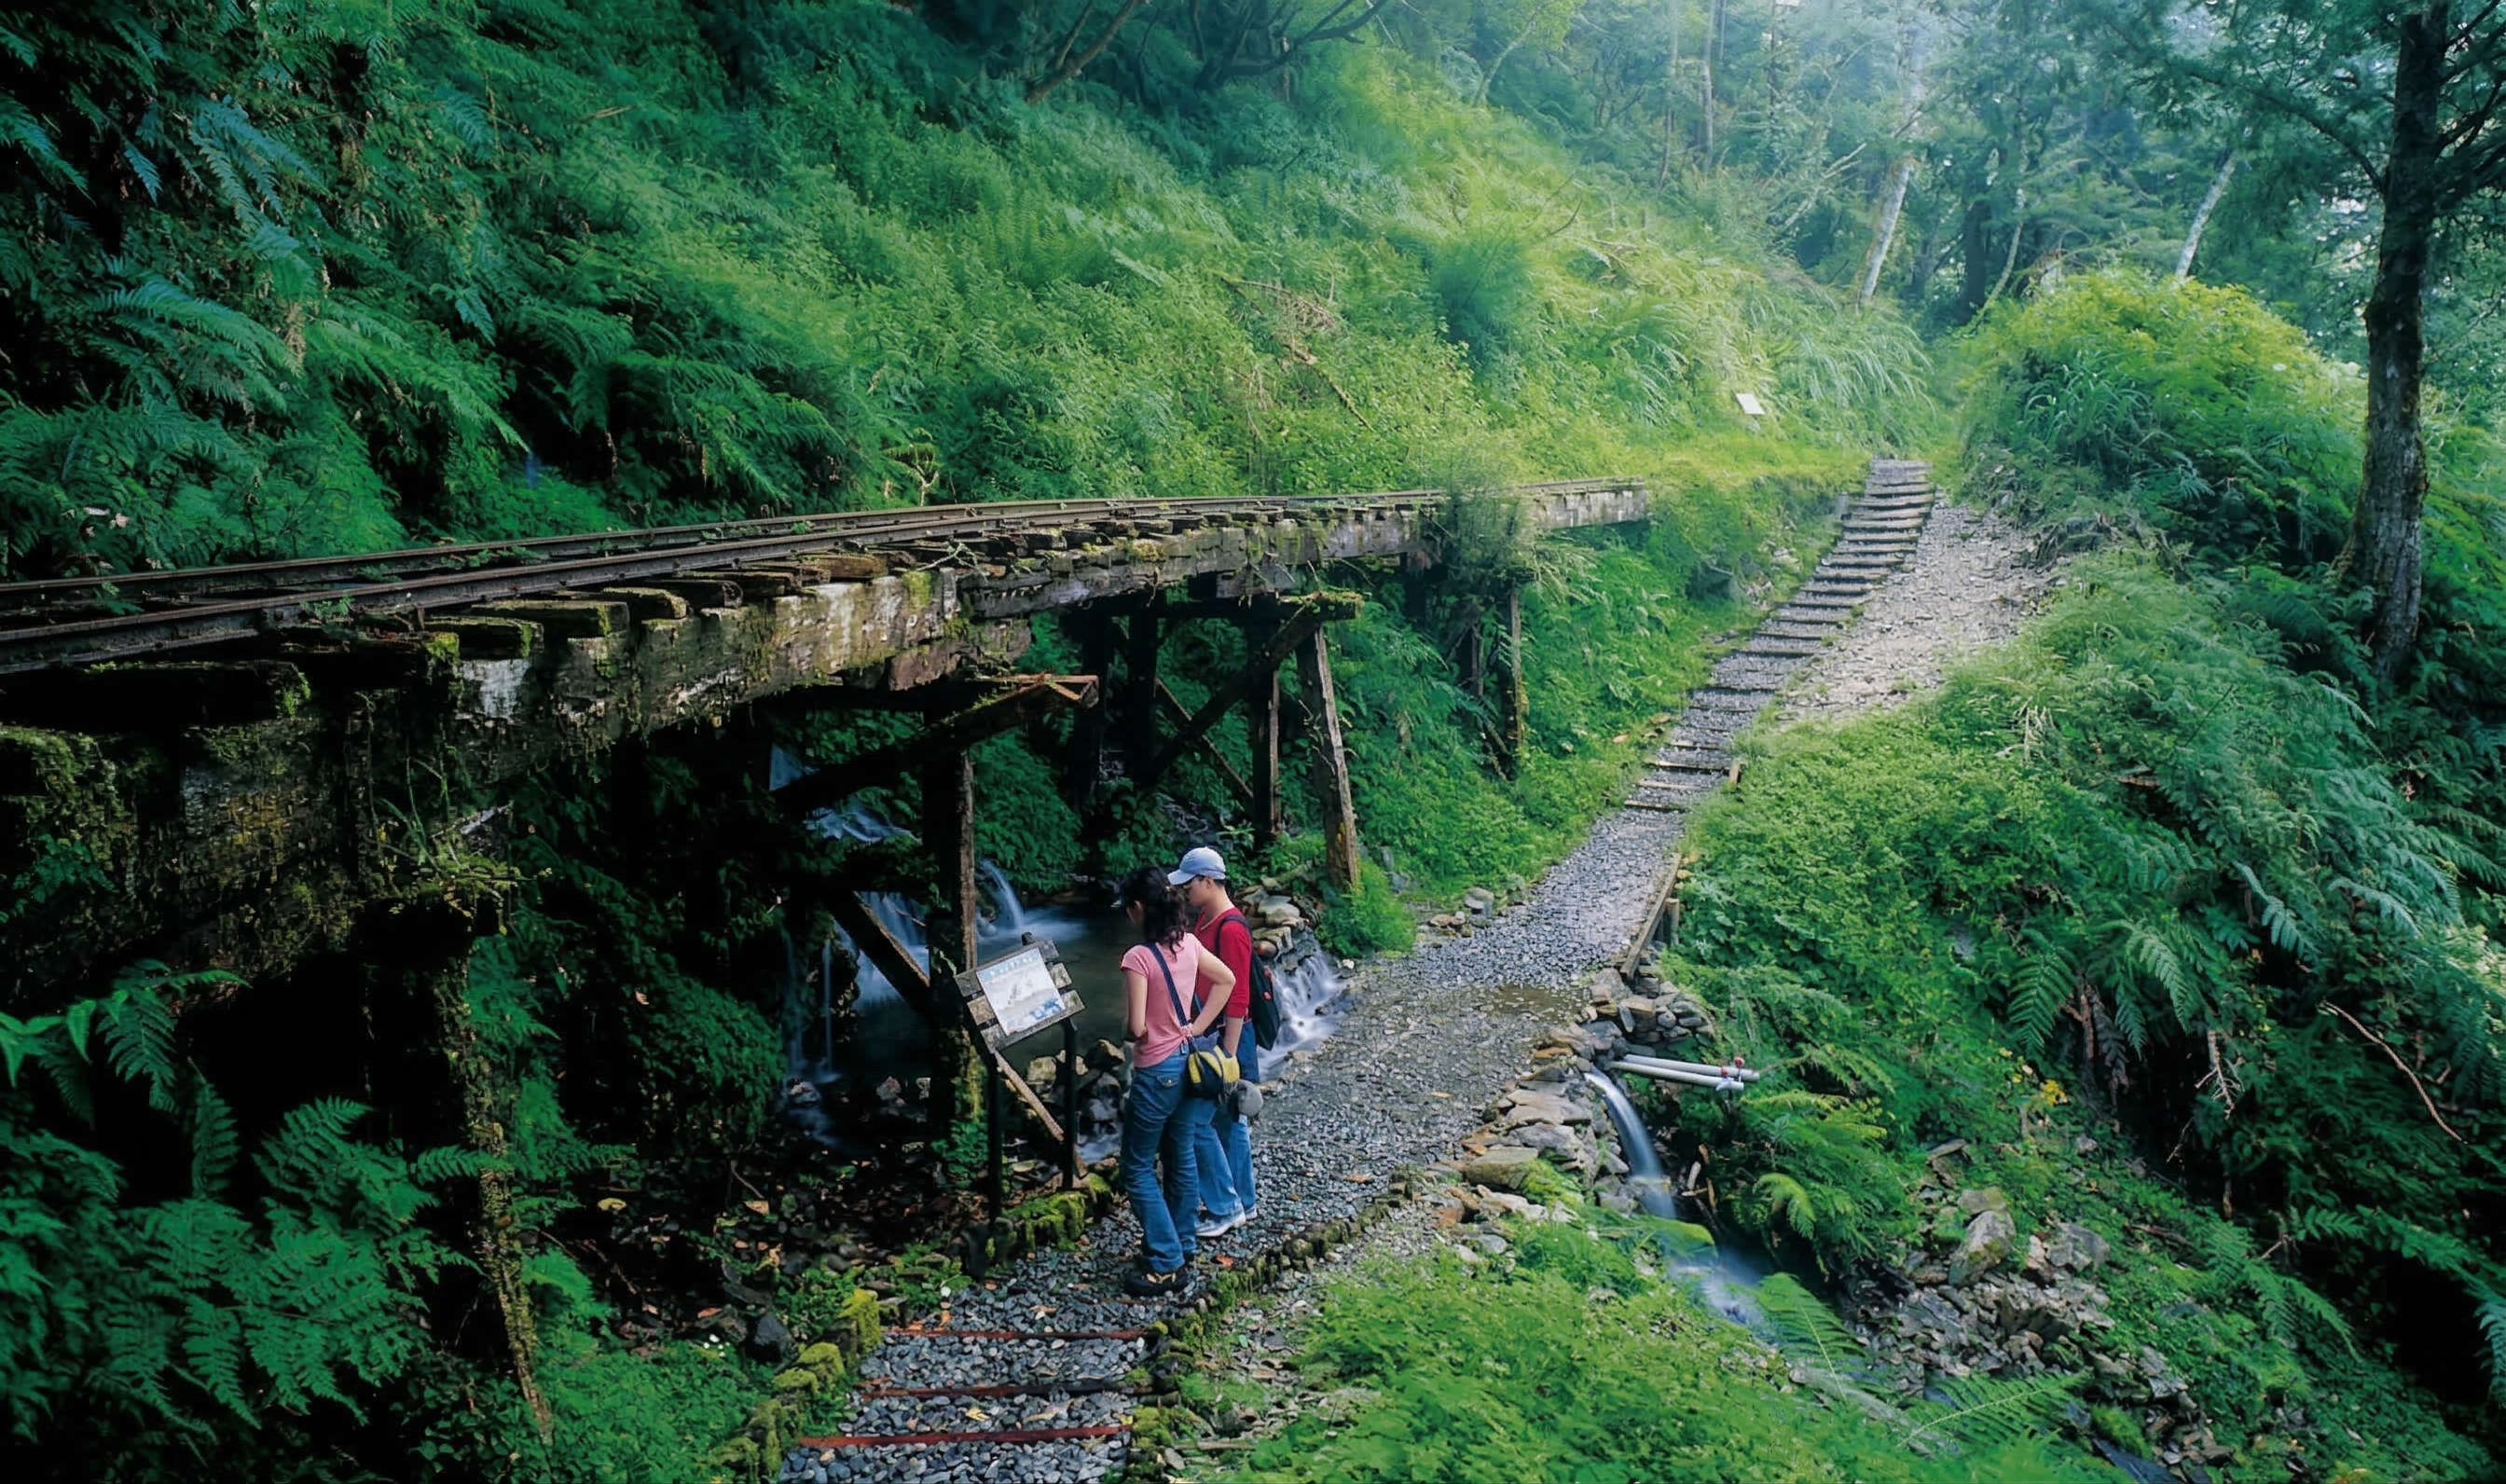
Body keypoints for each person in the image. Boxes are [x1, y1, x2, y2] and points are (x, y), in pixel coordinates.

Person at [1114, 866, 1234, 1298]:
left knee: (1136, 1167)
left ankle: (1165, 1261)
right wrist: (1196, 1027)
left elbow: (1136, 1028)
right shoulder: (1188, 944)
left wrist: (1128, 1029)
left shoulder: (1138, 958)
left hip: (1157, 1072)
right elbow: (1226, 980)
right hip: (1188, 1064)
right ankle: (1182, 1244)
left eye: (1128, 908)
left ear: (1138, 908)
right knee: (1180, 1155)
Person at [1172, 846, 1260, 1237]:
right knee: (1229, 1120)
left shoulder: (1231, 929)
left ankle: (1226, 1208)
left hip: (1228, 1035)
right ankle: (1245, 1202)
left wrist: (1228, 1056)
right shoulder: (1206, 919)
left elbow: (1238, 996)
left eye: (1188, 884)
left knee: (1199, 1123)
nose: (1185, 891)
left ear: (1208, 881)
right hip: (1215, 1031)